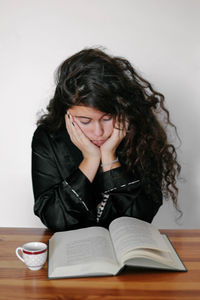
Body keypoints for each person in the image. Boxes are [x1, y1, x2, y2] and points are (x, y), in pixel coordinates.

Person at [32, 47, 181, 232]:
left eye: (107, 118)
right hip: (71, 253)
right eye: (85, 121)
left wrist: (110, 157)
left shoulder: (140, 135)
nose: (98, 132)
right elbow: (53, 218)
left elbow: (141, 218)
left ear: (122, 110)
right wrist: (90, 160)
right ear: (67, 115)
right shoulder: (48, 138)